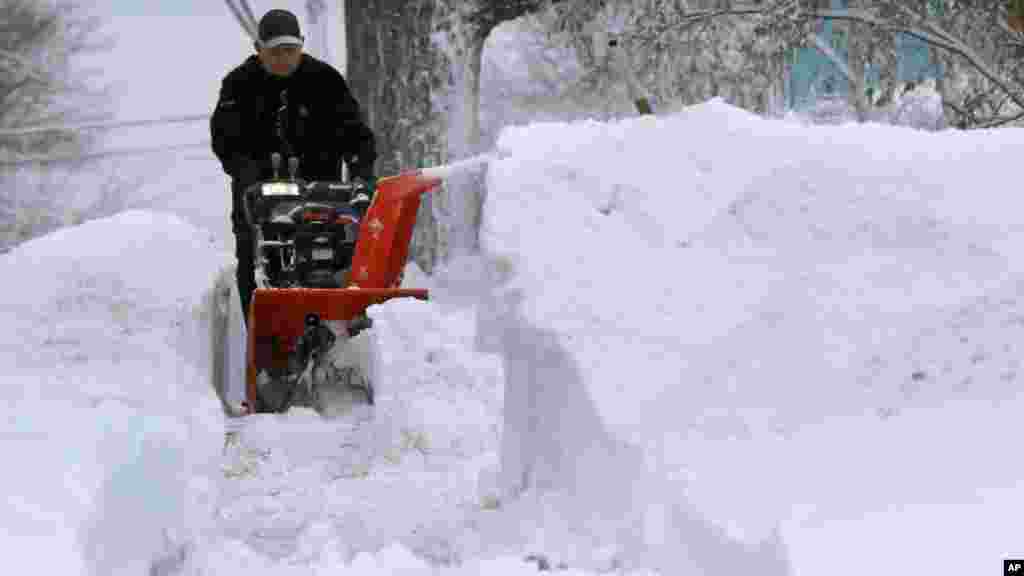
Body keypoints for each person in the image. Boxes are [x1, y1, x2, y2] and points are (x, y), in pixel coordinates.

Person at [210, 8, 377, 321]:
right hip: (258, 200)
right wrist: (247, 172)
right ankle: (260, 335)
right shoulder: (238, 86)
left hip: (322, 195)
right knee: (254, 262)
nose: (284, 58)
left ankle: (340, 320)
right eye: (275, 51)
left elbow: (357, 136)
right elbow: (224, 140)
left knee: (337, 255)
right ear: (259, 50)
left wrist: (361, 174)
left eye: (291, 50)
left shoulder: (326, 81)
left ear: (301, 45)